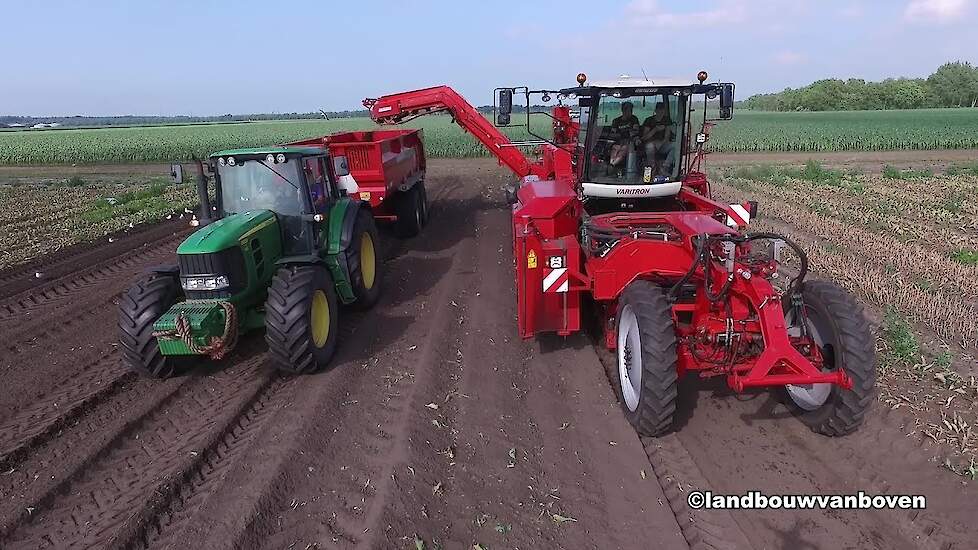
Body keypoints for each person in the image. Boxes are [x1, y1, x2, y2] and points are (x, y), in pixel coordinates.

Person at [641, 102, 676, 177]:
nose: (661, 112)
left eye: (662, 110)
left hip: (662, 144)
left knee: (674, 146)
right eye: (659, 110)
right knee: (650, 146)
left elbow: (667, 136)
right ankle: (651, 169)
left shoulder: (667, 120)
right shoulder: (649, 120)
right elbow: (644, 137)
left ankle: (665, 167)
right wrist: (655, 130)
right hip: (650, 144)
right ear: (655, 110)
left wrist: (661, 143)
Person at [608, 102, 640, 169]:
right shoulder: (616, 121)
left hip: (630, 141)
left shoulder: (634, 119)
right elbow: (613, 133)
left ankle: (612, 165)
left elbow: (635, 131)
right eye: (627, 110)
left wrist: (627, 133)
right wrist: (624, 133)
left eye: (631, 110)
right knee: (615, 148)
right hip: (618, 141)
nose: (629, 112)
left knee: (624, 149)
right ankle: (611, 163)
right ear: (623, 110)